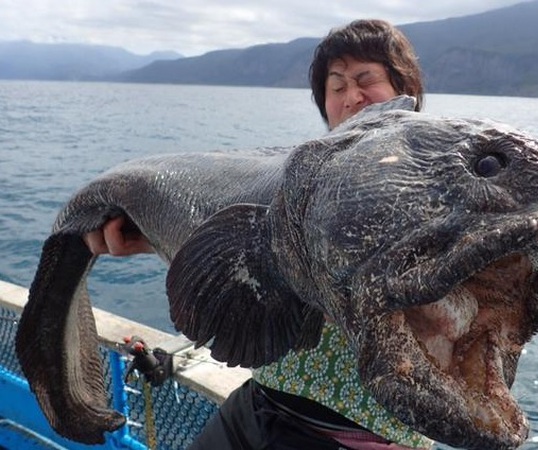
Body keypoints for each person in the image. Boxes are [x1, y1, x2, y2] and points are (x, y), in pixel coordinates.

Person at [85, 19, 431, 450]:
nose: (351, 98)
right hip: (260, 403)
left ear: (406, 90)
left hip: (359, 437)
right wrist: (155, 236)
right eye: (336, 85)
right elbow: (251, 267)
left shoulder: (436, 188)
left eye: (366, 80)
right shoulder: (298, 186)